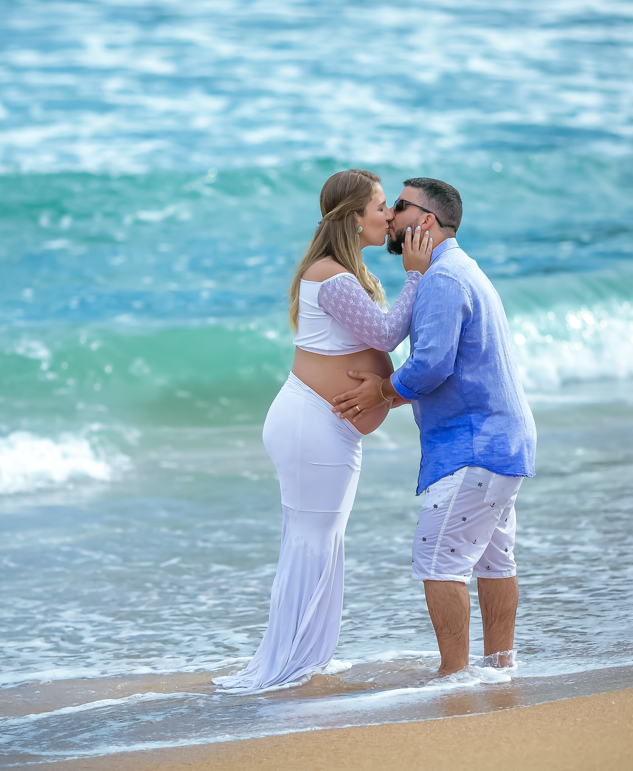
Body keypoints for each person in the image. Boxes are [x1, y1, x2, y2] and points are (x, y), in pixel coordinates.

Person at [214, 169, 432, 690]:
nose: (389, 215)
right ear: (355, 218)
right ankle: (288, 665)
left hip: (318, 425)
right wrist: (416, 275)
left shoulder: (342, 272)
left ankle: (305, 656)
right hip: (311, 425)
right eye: (380, 206)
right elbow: (386, 333)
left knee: (318, 540)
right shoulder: (331, 276)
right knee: (312, 541)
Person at [331, 177, 536, 676]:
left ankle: (454, 677)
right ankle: (500, 668)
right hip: (502, 442)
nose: (390, 216)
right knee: (494, 561)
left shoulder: (442, 279)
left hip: (473, 446)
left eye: (399, 206)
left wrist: (382, 392)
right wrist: (392, 391)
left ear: (425, 221)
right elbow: (445, 365)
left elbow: (431, 365)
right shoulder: (461, 269)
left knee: (439, 561)